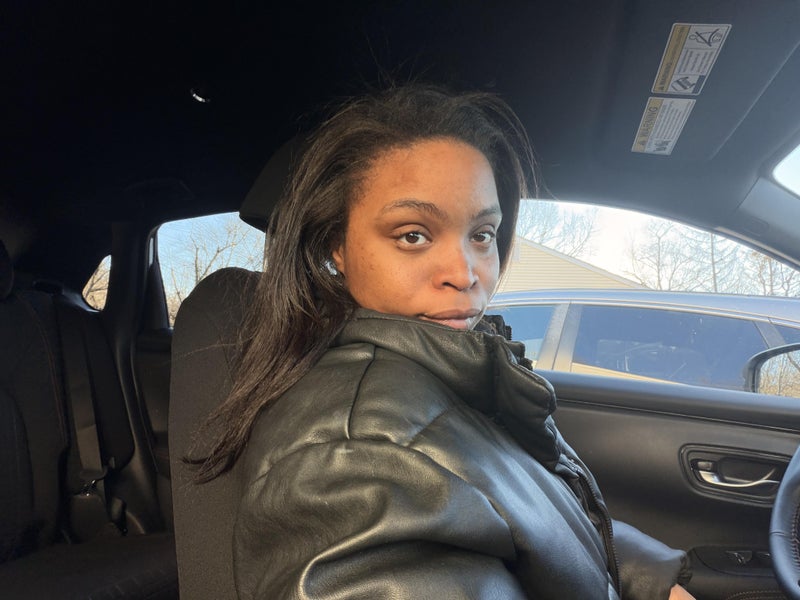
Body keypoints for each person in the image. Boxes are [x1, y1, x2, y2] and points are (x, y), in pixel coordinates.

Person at [193, 84, 694, 599]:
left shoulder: (454, 374)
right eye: (413, 235)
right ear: (337, 246)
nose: (465, 272)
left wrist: (654, 584)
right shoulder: (352, 458)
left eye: (482, 234)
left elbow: (543, 524)